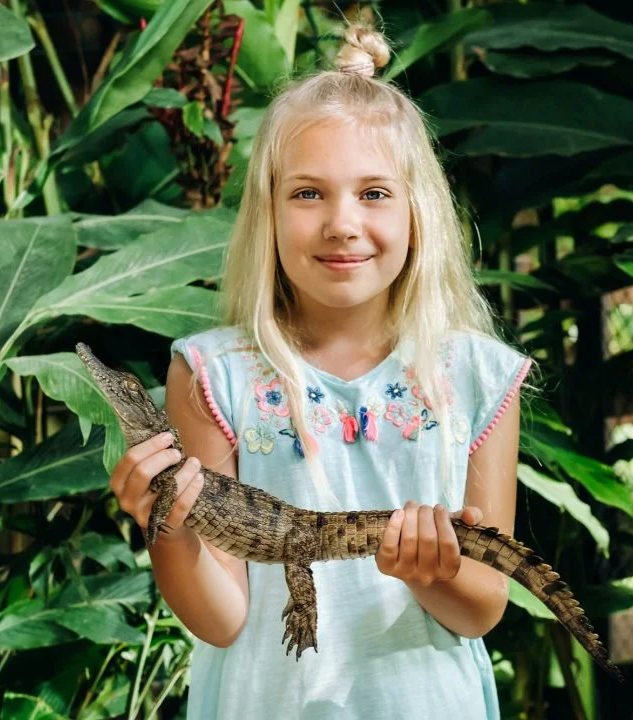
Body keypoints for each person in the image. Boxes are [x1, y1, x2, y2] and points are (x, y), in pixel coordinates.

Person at [108, 21, 532, 720]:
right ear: (268, 211)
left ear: (418, 211)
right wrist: (173, 534)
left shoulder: (479, 376)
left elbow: (482, 607)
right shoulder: (214, 375)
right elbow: (221, 618)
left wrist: (439, 572)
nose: (341, 223)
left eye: (373, 193)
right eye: (308, 194)